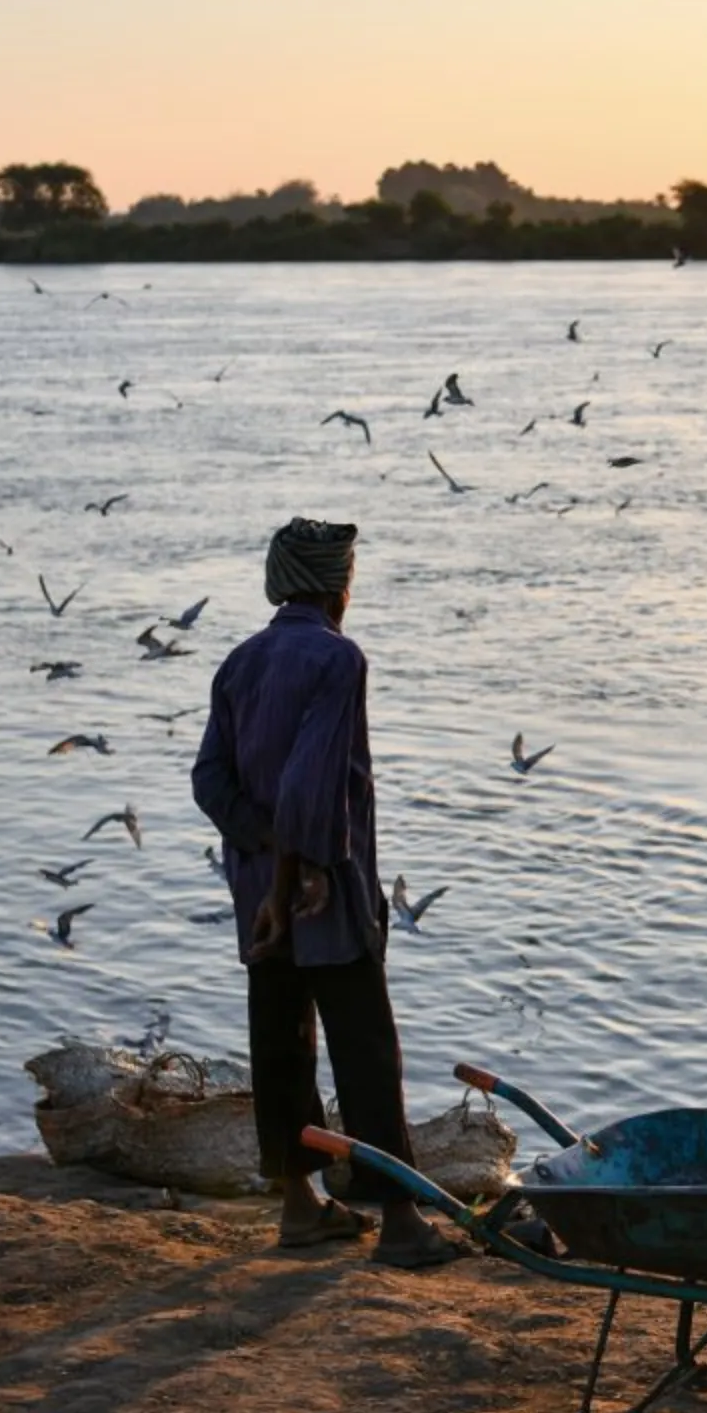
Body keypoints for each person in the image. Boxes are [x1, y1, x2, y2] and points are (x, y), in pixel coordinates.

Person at [192, 517, 455, 1269]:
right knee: (365, 1048)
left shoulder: (240, 661)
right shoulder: (338, 660)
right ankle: (401, 1221)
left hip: (256, 898)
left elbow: (210, 780)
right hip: (322, 894)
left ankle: (301, 1207)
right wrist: (297, 871)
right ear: (341, 586)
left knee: (281, 1046)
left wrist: (261, 849)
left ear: (280, 582)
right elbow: (313, 783)